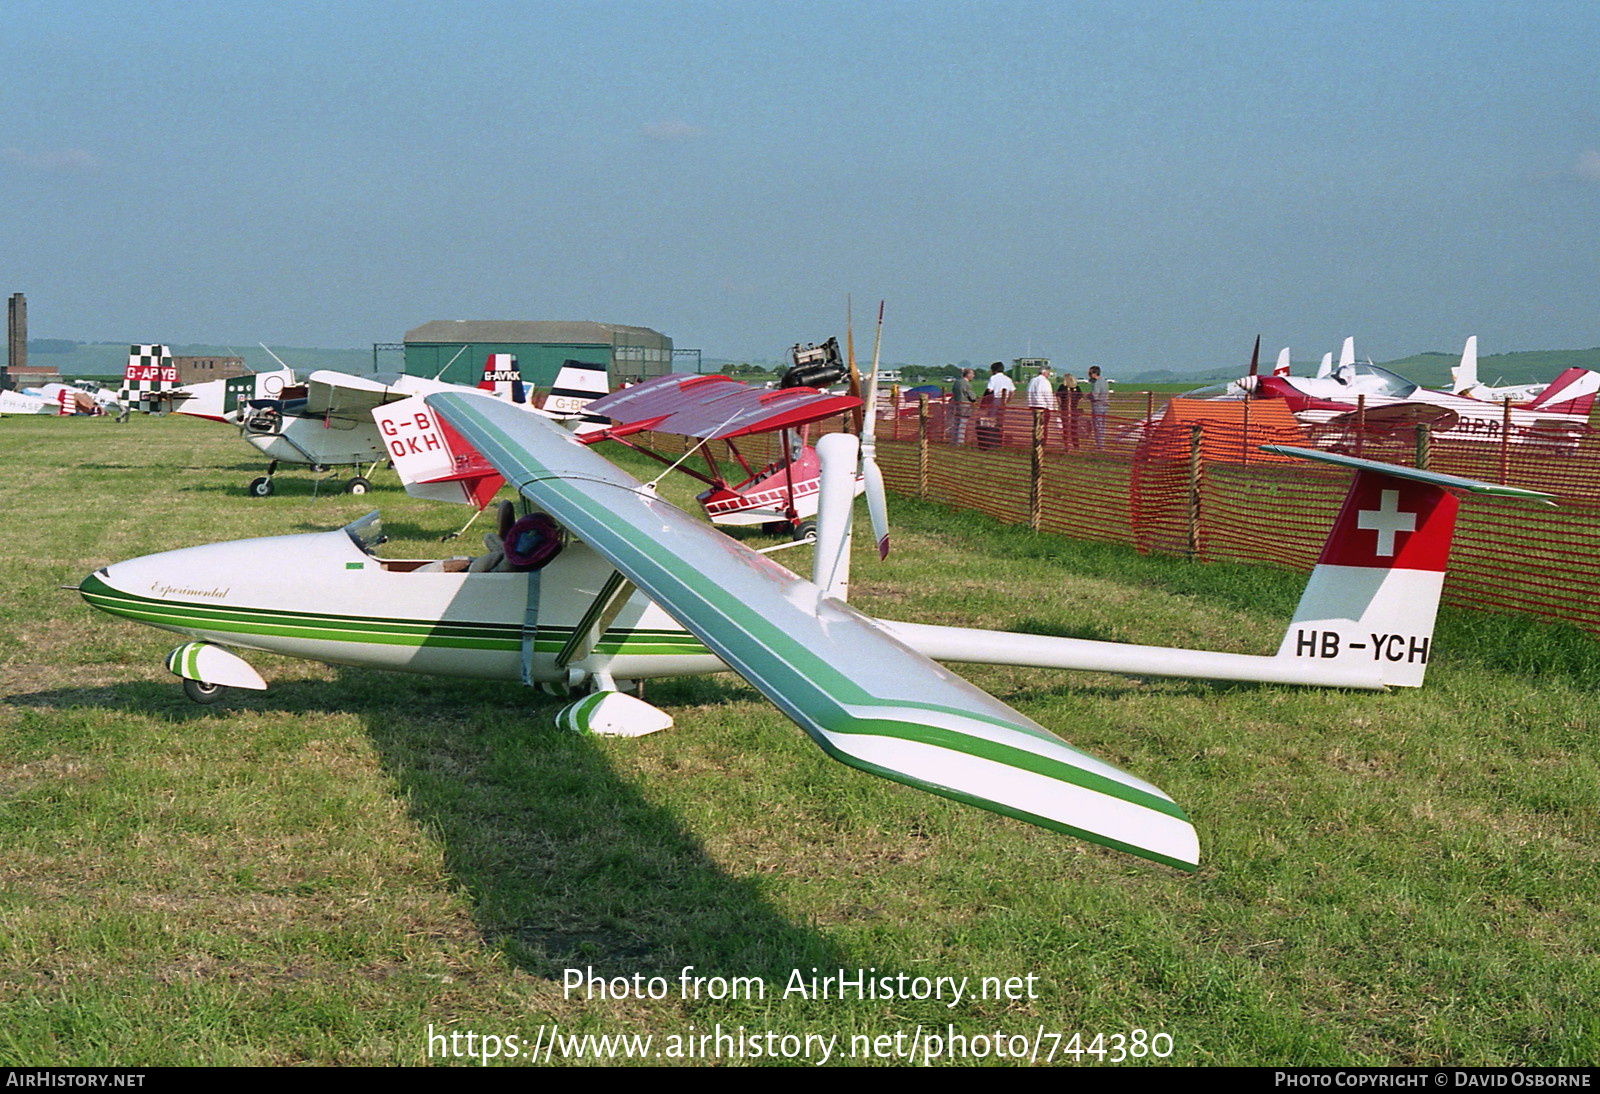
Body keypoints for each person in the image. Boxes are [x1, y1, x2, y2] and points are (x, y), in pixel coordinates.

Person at [1026, 364, 1055, 445]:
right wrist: (1051, 407)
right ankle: (1042, 442)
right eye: (1048, 372)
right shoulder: (1045, 382)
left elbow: (1028, 393)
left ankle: (1035, 440)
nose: (1049, 374)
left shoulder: (1032, 381)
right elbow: (1048, 395)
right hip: (1043, 406)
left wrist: (1030, 403)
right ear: (1045, 372)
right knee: (1043, 426)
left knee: (1036, 425)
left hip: (1033, 405)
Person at [948, 368, 976, 444]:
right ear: (968, 375)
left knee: (956, 424)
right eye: (972, 374)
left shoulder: (956, 382)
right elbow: (972, 397)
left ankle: (953, 441)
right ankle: (960, 442)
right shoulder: (967, 384)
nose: (973, 376)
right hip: (965, 407)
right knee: (962, 425)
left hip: (956, 405)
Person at [1086, 365, 1111, 447]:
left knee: (1097, 425)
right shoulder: (1104, 381)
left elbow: (1095, 396)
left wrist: (1088, 396)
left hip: (1098, 405)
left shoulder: (1097, 383)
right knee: (1102, 425)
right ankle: (1101, 441)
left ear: (1094, 373)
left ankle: (1099, 444)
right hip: (1105, 405)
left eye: (1090, 373)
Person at [1057, 372, 1081, 448]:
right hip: (1074, 410)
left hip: (1065, 410)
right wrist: (1075, 403)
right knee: (1074, 427)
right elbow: (1081, 397)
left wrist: (1061, 404)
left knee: (1066, 428)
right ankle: (1076, 444)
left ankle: (1066, 444)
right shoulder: (1077, 388)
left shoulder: (1062, 387)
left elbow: (1057, 397)